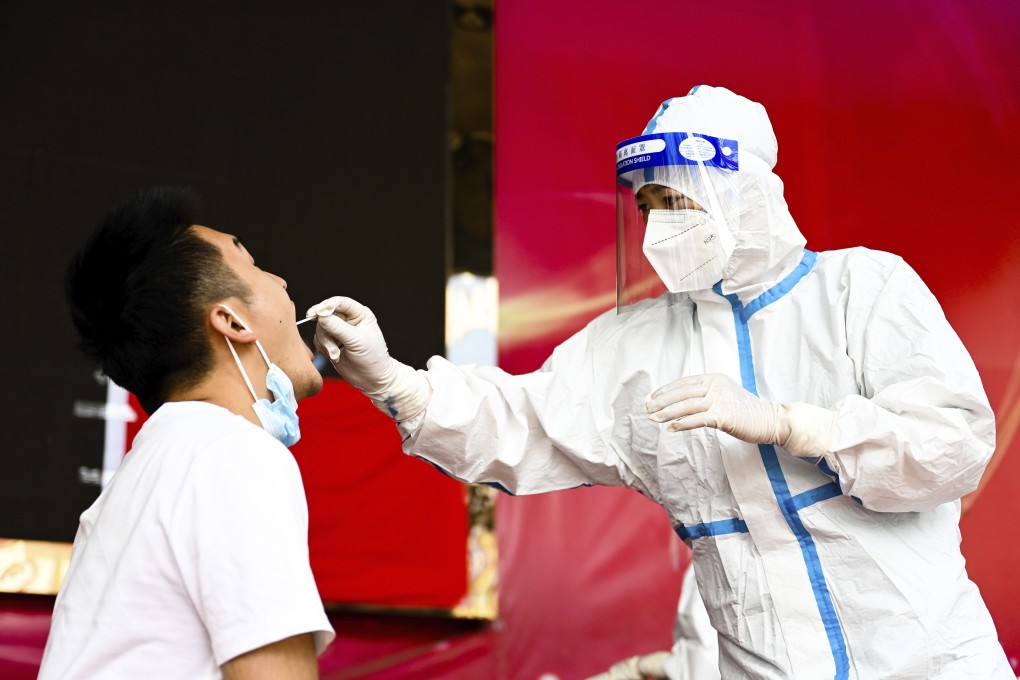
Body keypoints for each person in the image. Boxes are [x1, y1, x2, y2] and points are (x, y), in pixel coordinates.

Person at [309, 86, 1012, 678]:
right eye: (648, 205)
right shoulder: (634, 344)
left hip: (931, 664)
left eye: (678, 200)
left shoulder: (862, 289)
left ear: (747, 192)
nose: (657, 224)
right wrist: (393, 382)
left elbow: (951, 445)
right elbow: (520, 421)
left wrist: (798, 426)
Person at [40, 187, 334, 679]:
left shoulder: (152, 469)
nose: (282, 281)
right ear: (232, 321)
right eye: (257, 266)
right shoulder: (232, 454)